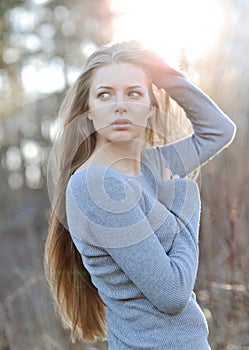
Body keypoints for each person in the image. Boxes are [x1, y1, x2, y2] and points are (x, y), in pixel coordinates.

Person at [44, 41, 236, 350]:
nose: (120, 105)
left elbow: (219, 130)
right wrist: (185, 201)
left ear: (150, 107)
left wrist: (165, 75)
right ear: (88, 111)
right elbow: (172, 294)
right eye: (104, 94)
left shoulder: (152, 166)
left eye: (133, 93)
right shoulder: (96, 186)